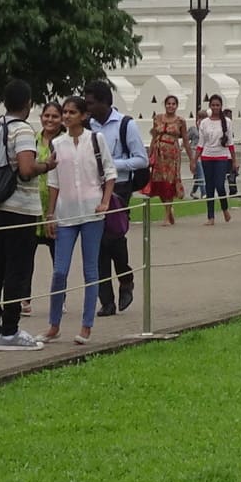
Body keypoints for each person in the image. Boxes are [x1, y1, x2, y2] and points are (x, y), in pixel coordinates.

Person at [0, 80, 46, 350]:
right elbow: (27, 169)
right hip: (20, 208)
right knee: (18, 268)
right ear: (28, 103)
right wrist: (46, 165)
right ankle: (10, 331)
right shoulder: (23, 130)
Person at [42, 96, 112, 345]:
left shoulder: (95, 139)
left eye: (72, 112)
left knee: (90, 270)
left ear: (83, 115)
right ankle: (54, 324)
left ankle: (86, 325)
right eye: (65, 112)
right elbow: (54, 182)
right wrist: (50, 214)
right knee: (60, 270)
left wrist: (105, 201)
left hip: (92, 212)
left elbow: (110, 173)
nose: (67, 116)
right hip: (66, 213)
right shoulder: (57, 144)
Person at [84, 81, 149, 316]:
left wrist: (111, 164)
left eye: (91, 103)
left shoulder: (125, 125)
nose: (87, 107)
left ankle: (125, 277)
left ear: (104, 102)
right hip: (93, 187)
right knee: (97, 242)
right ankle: (106, 300)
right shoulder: (87, 125)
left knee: (113, 236)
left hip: (119, 186)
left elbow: (141, 159)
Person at [145, 95, 189, 225]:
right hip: (159, 154)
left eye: (173, 104)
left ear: (177, 105)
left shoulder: (180, 121)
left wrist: (192, 158)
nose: (171, 106)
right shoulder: (157, 118)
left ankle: (166, 214)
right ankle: (168, 209)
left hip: (172, 155)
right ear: (165, 105)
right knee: (159, 183)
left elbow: (185, 140)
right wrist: (150, 153)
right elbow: (153, 137)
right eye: (168, 103)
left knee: (169, 183)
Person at [193, 94, 234, 222]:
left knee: (219, 185)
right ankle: (210, 217)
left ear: (221, 106)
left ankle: (225, 208)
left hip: (221, 156)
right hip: (207, 156)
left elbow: (230, 142)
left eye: (218, 105)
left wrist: (234, 160)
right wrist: (194, 160)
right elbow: (201, 143)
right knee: (209, 187)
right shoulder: (204, 123)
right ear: (210, 106)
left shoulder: (227, 122)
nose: (215, 107)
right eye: (213, 105)